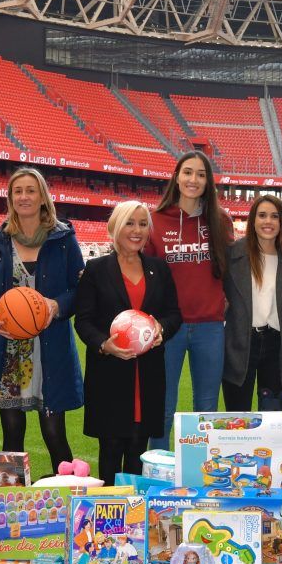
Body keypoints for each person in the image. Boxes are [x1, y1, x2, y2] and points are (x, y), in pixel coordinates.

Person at [0, 167, 84, 473]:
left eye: (30, 190)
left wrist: (56, 305)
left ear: (42, 197)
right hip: (9, 351)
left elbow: (79, 290)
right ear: (11, 198)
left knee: (54, 432)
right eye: (18, 191)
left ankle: (68, 498)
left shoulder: (62, 238)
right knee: (12, 432)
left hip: (50, 349)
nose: (24, 197)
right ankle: (12, 505)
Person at [78, 200, 183, 481]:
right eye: (130, 223)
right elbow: (84, 320)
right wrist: (104, 344)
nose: (137, 230)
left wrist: (161, 328)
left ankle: (137, 517)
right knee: (111, 448)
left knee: (139, 448)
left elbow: (174, 314)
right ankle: (109, 516)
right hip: (109, 375)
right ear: (115, 227)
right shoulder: (96, 269)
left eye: (142, 223)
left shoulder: (159, 269)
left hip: (147, 374)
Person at [145, 150, 228, 444]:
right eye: (188, 172)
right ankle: (158, 475)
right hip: (168, 327)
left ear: (208, 183)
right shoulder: (154, 220)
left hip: (210, 327)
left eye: (201, 174)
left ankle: (201, 474)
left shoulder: (220, 221)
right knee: (163, 408)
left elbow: (231, 268)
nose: (194, 179)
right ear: (177, 177)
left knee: (206, 410)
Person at [222, 193, 282, 411]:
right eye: (262, 215)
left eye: (275, 216)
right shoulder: (233, 255)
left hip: (277, 345)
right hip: (240, 343)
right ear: (253, 220)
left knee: (273, 419)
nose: (268, 221)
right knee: (238, 419)